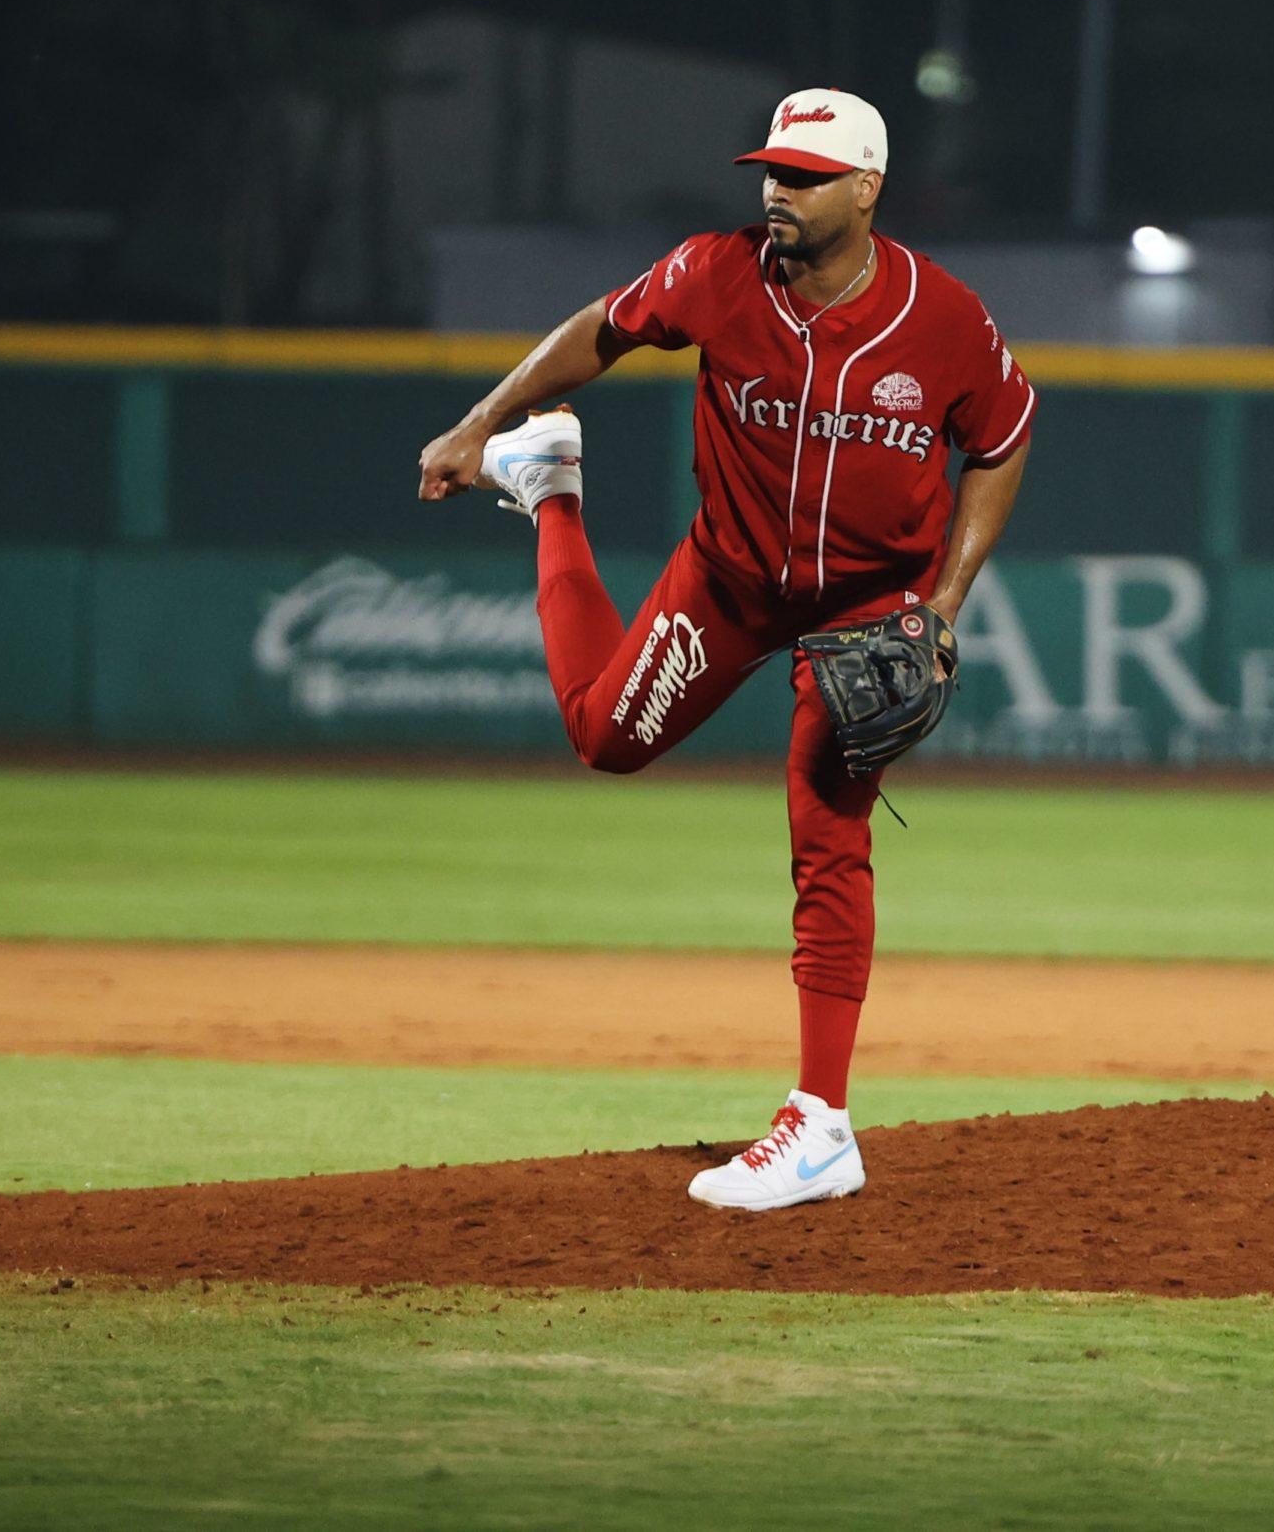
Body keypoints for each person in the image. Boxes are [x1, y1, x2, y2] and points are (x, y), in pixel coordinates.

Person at [416, 88, 1035, 1211]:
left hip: (866, 602)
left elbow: (1002, 435)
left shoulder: (940, 316)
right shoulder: (717, 272)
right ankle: (551, 486)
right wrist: (481, 422)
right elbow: (601, 329)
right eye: (770, 169)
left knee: (826, 832)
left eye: (802, 174)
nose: (776, 189)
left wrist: (942, 605)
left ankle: (821, 1125)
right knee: (604, 739)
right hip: (733, 582)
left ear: (865, 188)